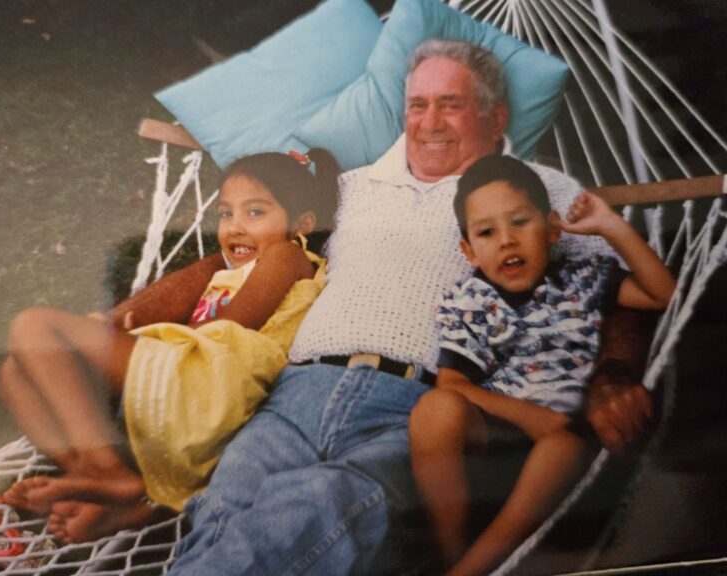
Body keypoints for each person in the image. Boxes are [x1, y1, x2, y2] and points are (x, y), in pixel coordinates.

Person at [164, 38, 656, 575]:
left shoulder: (537, 192)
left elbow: (612, 291)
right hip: (291, 398)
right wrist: (140, 310)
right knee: (220, 507)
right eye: (418, 105)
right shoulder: (348, 189)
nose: (430, 121)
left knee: (321, 504)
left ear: (496, 117)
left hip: (410, 410)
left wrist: (614, 374)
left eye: (451, 104)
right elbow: (241, 257)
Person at [0, 149, 339, 543]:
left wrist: (137, 341)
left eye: (256, 213)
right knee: (14, 373)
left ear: (302, 224)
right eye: (226, 214)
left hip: (212, 388)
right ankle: (117, 493)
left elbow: (230, 327)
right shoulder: (226, 272)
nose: (236, 227)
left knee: (34, 325)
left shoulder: (288, 255)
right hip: (189, 386)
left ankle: (101, 468)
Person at [409, 155, 675, 575]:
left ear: (552, 228)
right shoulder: (469, 301)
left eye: (520, 222)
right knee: (434, 409)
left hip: (570, 453)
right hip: (502, 439)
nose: (507, 241)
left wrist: (609, 224)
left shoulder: (585, 280)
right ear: (469, 251)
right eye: (487, 232)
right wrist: (537, 420)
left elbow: (663, 295)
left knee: (563, 447)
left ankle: (473, 569)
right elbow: (453, 385)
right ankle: (450, 550)